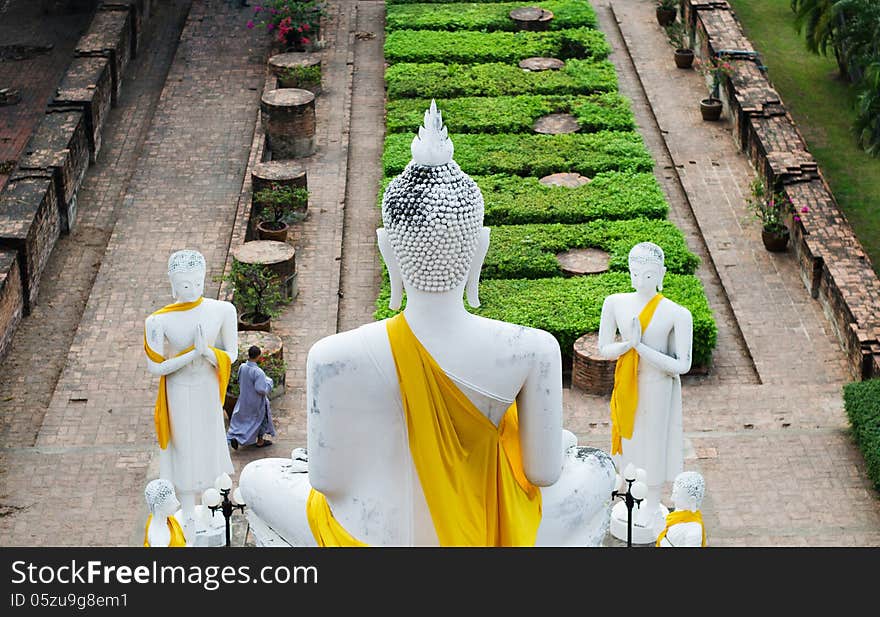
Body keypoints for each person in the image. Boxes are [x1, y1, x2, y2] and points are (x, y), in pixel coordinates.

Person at [238, 101, 616, 547]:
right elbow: (543, 472)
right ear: (480, 248)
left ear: (386, 249)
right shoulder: (532, 349)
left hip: (371, 536)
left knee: (258, 477)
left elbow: (327, 481)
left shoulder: (333, 356)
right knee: (595, 468)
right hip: (481, 527)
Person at [598, 241, 693, 538]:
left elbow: (682, 365)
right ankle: (628, 490)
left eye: (649, 275)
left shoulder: (677, 313)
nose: (641, 281)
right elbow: (604, 349)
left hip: (657, 387)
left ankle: (651, 502)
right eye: (636, 273)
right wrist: (627, 345)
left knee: (653, 443)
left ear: (662, 274)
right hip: (627, 386)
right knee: (628, 440)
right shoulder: (615, 302)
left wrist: (641, 348)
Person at [144, 250, 237, 538]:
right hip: (179, 389)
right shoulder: (158, 321)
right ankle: (187, 514)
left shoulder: (222, 310)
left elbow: (230, 355)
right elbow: (155, 367)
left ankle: (210, 509)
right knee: (183, 449)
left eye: (197, 283)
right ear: (172, 285)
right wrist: (191, 355)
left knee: (209, 444)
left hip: (208, 387)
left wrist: (206, 352)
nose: (192, 290)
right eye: (184, 285)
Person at [227, 345, 276, 449]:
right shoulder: (258, 372)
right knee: (260, 420)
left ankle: (236, 437)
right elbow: (261, 389)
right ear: (258, 356)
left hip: (244, 399)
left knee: (243, 420)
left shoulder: (242, 367)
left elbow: (240, 379)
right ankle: (260, 441)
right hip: (256, 402)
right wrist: (269, 384)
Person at [656, 471, 707, 547]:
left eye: (676, 494)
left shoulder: (694, 531)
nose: (672, 498)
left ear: (691, 500)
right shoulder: (679, 513)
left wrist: (659, 535)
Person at [143, 478, 187, 547]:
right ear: (158, 508)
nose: (178, 503)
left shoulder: (159, 517)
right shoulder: (159, 540)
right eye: (171, 503)